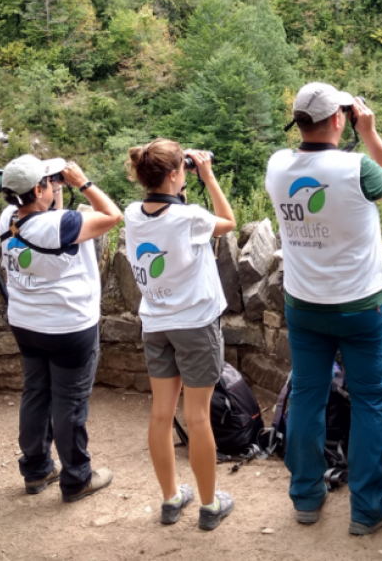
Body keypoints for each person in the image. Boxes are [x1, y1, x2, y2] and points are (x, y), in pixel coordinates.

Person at [265, 83, 382, 535]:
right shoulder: (357, 168)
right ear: (338, 119)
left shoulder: (277, 165)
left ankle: (306, 496)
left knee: (308, 395)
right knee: (369, 401)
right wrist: (370, 133)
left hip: (305, 303)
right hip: (361, 305)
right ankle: (366, 507)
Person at [123, 139, 237, 530]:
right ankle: (209, 505)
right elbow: (228, 219)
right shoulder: (191, 219)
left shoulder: (132, 213)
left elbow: (167, 209)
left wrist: (179, 185)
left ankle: (171, 499)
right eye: (182, 169)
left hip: (156, 323)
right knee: (199, 416)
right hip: (195, 324)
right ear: (175, 174)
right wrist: (208, 174)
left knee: (161, 414)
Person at [0, 154, 121, 502]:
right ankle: (77, 478)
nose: (54, 186)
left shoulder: (7, 218)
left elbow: (48, 215)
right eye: (49, 183)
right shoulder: (61, 225)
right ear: (38, 189)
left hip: (25, 323)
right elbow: (113, 215)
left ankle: (36, 471)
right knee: (69, 402)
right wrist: (83, 182)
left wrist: (53, 189)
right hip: (69, 328)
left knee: (36, 394)